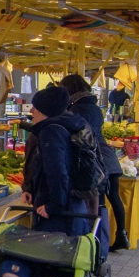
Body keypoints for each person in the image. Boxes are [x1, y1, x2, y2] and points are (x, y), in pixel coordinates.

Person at [61, 75, 128, 250]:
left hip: (95, 160)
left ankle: (98, 243)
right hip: (108, 157)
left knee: (97, 205)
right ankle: (121, 235)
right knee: (113, 198)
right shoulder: (94, 107)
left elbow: (79, 137)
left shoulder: (77, 109)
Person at [27, 86, 92, 236]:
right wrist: (31, 188)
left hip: (59, 216)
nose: (31, 111)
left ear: (44, 110)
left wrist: (53, 206)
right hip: (74, 204)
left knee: (53, 254)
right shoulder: (68, 125)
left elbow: (57, 172)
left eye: (35, 107)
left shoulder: (50, 132)